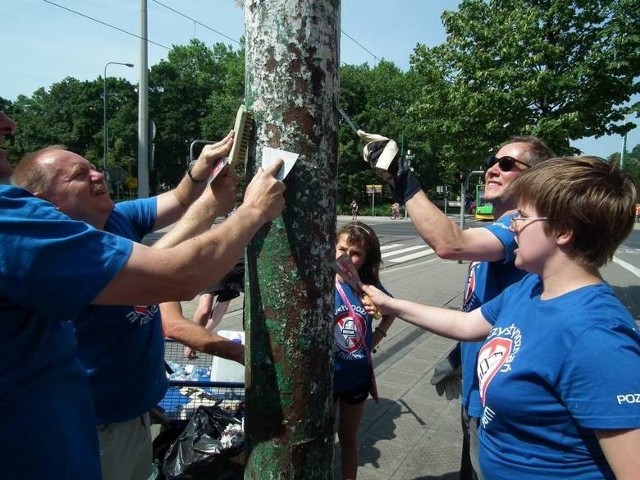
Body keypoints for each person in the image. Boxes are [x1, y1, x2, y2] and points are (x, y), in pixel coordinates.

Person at [1, 107, 285, 479]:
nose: (97, 173)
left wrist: (200, 173)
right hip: (94, 428)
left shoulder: (115, 217)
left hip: (126, 415)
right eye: (77, 175)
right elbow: (177, 275)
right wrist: (252, 212)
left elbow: (180, 202)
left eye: (92, 166)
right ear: (44, 204)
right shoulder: (42, 241)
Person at [362, 156, 640, 479]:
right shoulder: (531, 289)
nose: (513, 226)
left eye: (522, 216)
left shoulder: (598, 337)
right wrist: (390, 304)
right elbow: (466, 324)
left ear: (563, 230)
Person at [358, 129, 554, 479]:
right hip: (480, 385)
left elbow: (450, 244)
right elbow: (474, 317)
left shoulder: (517, 227)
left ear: (536, 179)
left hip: (498, 398)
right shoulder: (504, 225)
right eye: (491, 161)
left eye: (507, 163)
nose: (493, 169)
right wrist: (461, 355)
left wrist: (402, 176)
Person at [333, 221, 395, 480]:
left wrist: (377, 335)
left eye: (356, 252)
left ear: (367, 257)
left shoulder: (368, 287)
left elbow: (390, 311)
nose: (346, 256)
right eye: (341, 248)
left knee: (348, 438)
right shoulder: (321, 282)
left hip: (356, 377)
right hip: (326, 377)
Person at [183, 257, 245, 359]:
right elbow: (221, 308)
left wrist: (193, 342)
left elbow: (204, 310)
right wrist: (201, 337)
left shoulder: (209, 267)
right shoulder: (229, 262)